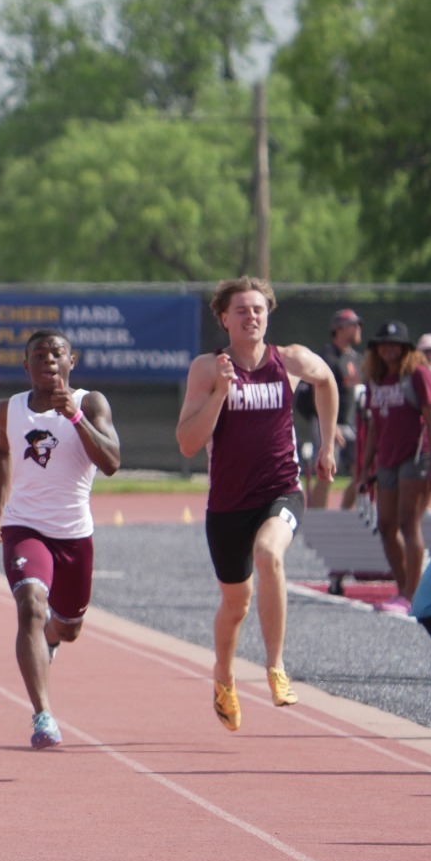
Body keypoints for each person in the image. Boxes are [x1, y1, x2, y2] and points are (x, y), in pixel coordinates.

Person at [176, 276, 338, 732]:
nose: (251, 317)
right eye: (242, 310)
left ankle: (276, 667)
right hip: (228, 504)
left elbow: (326, 381)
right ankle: (223, 676)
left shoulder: (290, 359)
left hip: (281, 489)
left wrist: (327, 445)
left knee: (270, 553)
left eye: (258, 310)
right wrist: (220, 394)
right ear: (224, 318)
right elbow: (187, 443)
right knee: (236, 606)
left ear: (268, 316)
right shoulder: (208, 369)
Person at [0, 329, 122, 749]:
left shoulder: (90, 403)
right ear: (26, 364)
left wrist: (75, 418)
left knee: (69, 627)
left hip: (73, 534)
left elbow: (112, 462)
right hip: (24, 527)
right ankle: (43, 715)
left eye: (56, 354)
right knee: (30, 605)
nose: (48, 360)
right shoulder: (7, 409)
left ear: (71, 362)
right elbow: (1, 451)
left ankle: (52, 639)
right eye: (39, 355)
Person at [357, 321, 431, 615]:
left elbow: (429, 415)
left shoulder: (417, 374)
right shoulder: (376, 378)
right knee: (386, 525)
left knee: (408, 523)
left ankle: (411, 594)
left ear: (405, 348)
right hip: (387, 459)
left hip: (415, 456)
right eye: (384, 344)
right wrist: (366, 467)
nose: (389, 349)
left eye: (395, 344)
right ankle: (402, 589)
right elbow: (375, 426)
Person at [299, 310, 360, 510]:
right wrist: (331, 427)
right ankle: (318, 519)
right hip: (328, 423)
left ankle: (344, 516)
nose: (358, 329)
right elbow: (316, 393)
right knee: (326, 472)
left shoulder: (354, 358)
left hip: (350, 425)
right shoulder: (328, 357)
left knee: (361, 473)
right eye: (353, 324)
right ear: (339, 329)